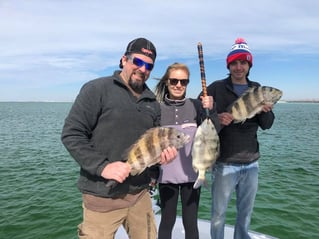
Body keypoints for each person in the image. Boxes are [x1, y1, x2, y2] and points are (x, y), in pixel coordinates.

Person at [61, 37, 178, 239]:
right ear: (124, 60)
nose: (143, 69)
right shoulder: (97, 89)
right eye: (138, 62)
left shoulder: (152, 102)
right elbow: (72, 134)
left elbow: (153, 145)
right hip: (101, 197)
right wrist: (103, 167)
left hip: (140, 195)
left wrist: (163, 158)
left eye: (149, 65)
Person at [203, 38, 276, 239]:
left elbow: (267, 124)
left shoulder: (257, 88)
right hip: (224, 163)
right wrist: (216, 118)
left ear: (249, 65)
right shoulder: (216, 88)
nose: (238, 67)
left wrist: (265, 111)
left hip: (252, 163)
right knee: (218, 214)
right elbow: (201, 118)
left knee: (245, 214)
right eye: (234, 63)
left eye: (243, 62)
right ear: (228, 65)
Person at [154, 62, 220, 239]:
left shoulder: (195, 106)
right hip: (166, 176)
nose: (178, 85)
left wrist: (211, 110)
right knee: (167, 221)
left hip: (193, 176)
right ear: (167, 82)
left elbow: (215, 130)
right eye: (174, 81)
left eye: (183, 82)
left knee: (190, 223)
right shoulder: (157, 108)